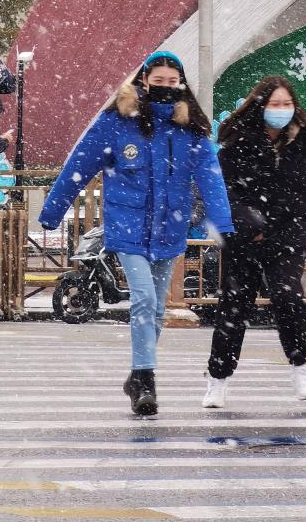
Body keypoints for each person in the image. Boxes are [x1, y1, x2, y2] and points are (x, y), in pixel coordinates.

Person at [39, 51, 233, 417]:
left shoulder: (189, 128)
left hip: (169, 230)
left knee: (157, 309)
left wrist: (222, 223)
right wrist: (52, 211)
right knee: (143, 298)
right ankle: (145, 378)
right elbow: (80, 165)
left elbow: (210, 176)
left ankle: (136, 373)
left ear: (180, 84)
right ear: (144, 81)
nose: (164, 87)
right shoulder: (117, 121)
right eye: (157, 81)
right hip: (127, 227)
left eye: (171, 82)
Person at [203, 75, 306, 409]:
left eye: (286, 104)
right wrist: (246, 220)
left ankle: (299, 366)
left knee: (287, 295)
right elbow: (220, 192)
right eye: (274, 104)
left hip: (289, 234)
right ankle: (218, 378)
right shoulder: (238, 144)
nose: (280, 110)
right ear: (260, 106)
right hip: (243, 239)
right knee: (234, 304)